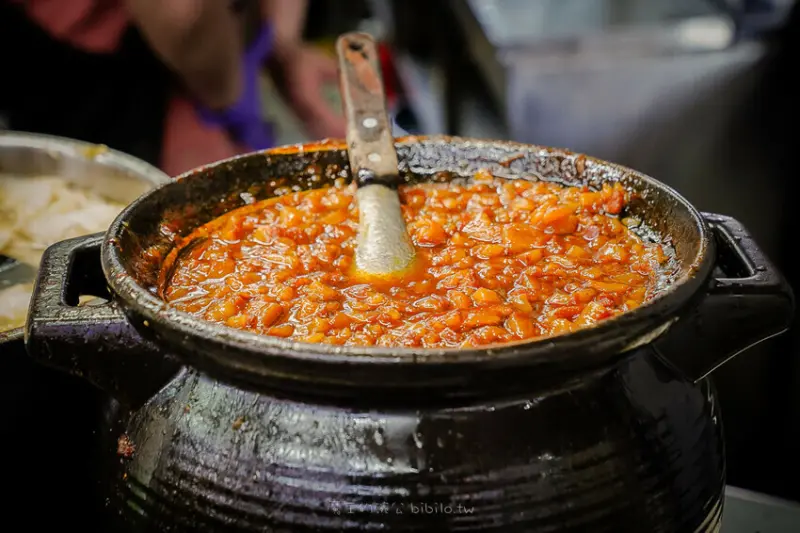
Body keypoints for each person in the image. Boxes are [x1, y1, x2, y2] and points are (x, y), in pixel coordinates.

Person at [0, 0, 346, 176]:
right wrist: (231, 96)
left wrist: (280, 45)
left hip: (217, 51)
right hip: (116, 77)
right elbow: (185, 19)